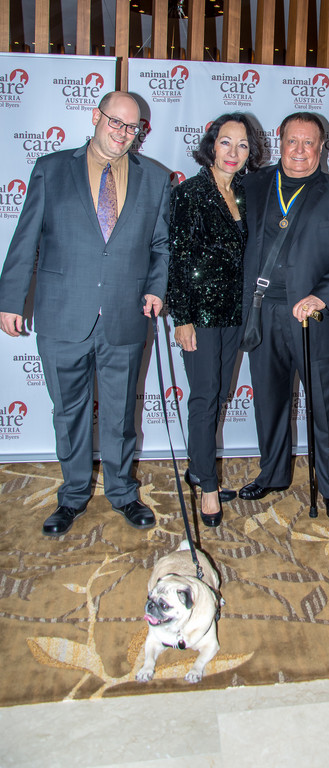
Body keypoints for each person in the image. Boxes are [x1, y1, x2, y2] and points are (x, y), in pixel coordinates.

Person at [0, 91, 170, 536]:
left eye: (133, 127)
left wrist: (156, 289)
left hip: (125, 316)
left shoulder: (155, 178)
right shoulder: (52, 169)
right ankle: (73, 495)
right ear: (96, 116)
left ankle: (123, 492)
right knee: (69, 413)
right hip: (62, 314)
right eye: (116, 122)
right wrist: (10, 299)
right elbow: (25, 238)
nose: (123, 133)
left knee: (120, 415)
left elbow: (161, 246)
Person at [238, 112, 329, 522]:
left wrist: (320, 297)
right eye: (292, 141)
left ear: (322, 146)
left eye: (308, 142)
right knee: (269, 401)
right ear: (279, 141)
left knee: (328, 407)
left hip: (317, 318)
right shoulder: (252, 184)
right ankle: (273, 474)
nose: (299, 150)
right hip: (262, 312)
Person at [168, 113, 262, 527]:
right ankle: (207, 486)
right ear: (212, 145)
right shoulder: (189, 193)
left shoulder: (245, 192)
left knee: (220, 393)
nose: (233, 152)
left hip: (235, 313)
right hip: (201, 316)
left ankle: (198, 468)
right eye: (226, 142)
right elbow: (177, 259)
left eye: (242, 145)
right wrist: (182, 318)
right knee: (205, 398)